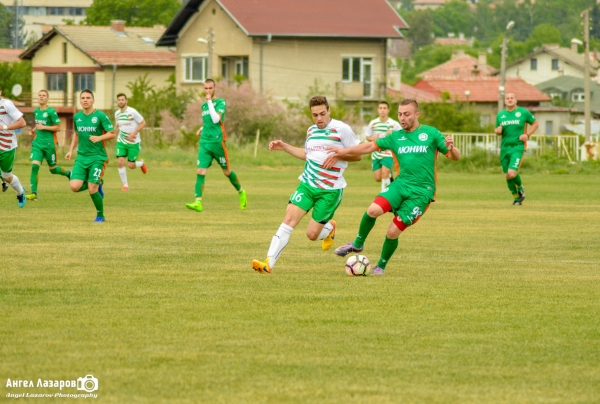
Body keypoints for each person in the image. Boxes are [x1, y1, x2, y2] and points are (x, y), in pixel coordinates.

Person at [328, 99, 460, 275]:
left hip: (421, 193)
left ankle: (380, 266)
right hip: (400, 184)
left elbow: (455, 156)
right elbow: (369, 146)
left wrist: (452, 148)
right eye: (400, 114)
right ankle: (357, 244)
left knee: (392, 232)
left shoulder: (431, 133)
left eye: (407, 114)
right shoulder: (395, 137)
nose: (402, 118)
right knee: (373, 210)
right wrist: (343, 151)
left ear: (417, 114)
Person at [252, 95, 361, 274]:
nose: (319, 118)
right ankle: (268, 263)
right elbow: (307, 154)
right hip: (307, 185)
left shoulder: (342, 129)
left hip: (330, 190)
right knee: (289, 219)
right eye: (315, 115)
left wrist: (339, 155)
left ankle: (329, 228)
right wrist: (285, 146)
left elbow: (358, 155)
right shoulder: (311, 131)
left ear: (329, 111)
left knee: (311, 235)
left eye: (322, 114)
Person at [185, 79, 247, 212]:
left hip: (218, 142)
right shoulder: (203, 106)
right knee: (200, 171)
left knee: (227, 172)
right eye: (206, 88)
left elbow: (216, 119)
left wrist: (209, 102)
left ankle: (241, 191)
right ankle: (198, 202)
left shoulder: (220, 102)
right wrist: (202, 128)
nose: (208, 91)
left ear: (215, 88)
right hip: (205, 142)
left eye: (210, 88)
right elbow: (209, 122)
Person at [65, 90, 116, 222]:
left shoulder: (100, 115)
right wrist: (71, 150)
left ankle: (100, 216)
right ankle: (98, 182)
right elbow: (76, 134)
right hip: (82, 157)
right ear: (80, 101)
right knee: (74, 187)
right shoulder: (77, 117)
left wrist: (99, 137)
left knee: (92, 188)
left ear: (93, 100)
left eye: (88, 98)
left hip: (98, 157)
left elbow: (112, 133)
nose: (85, 100)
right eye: (83, 98)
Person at [25, 89, 71, 201]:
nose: (41, 97)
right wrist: (33, 130)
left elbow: (58, 127)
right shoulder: (36, 111)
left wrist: (44, 127)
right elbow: (38, 125)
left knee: (53, 169)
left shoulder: (51, 111)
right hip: (37, 144)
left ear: (47, 98)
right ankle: (34, 193)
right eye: (39, 95)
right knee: (34, 166)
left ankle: (69, 173)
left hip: (50, 144)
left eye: (43, 95)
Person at [495, 92, 538, 205]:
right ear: (505, 101)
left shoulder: (523, 112)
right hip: (505, 148)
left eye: (512, 98)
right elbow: (497, 130)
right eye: (507, 98)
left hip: (518, 147)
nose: (510, 100)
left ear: (516, 100)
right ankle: (516, 198)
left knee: (512, 173)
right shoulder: (500, 115)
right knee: (508, 176)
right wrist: (498, 131)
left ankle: (520, 188)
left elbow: (535, 124)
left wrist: (527, 134)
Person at [0, 85, 27, 207]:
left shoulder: (6, 105)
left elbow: (22, 123)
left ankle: (20, 192)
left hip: (7, 146)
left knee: (7, 177)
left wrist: (4, 127)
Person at [114, 93, 147, 191]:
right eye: (119, 100)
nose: (121, 101)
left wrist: (134, 132)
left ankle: (141, 163)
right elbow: (117, 126)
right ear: (117, 102)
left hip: (133, 142)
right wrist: (111, 133)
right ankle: (125, 185)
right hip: (121, 141)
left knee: (131, 165)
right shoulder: (117, 113)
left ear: (126, 101)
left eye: (122, 99)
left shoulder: (133, 112)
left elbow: (143, 123)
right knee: (120, 162)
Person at [366, 101, 401, 191]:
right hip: (376, 153)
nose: (382, 110)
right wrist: (373, 138)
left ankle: (385, 195)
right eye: (381, 108)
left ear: (388, 110)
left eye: (384, 108)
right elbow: (367, 136)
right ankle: (390, 176)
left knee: (384, 174)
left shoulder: (394, 124)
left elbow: (402, 136)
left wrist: (392, 134)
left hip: (388, 152)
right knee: (378, 178)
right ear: (378, 110)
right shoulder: (373, 123)